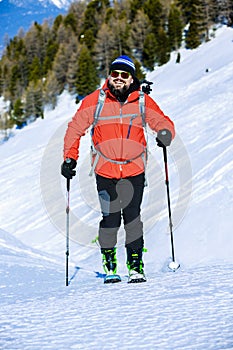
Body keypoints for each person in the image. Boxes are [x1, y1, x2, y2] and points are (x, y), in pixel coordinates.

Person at [61, 55, 175, 283]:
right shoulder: (96, 101)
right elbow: (74, 129)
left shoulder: (141, 101)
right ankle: (109, 261)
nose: (119, 79)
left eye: (124, 75)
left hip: (134, 170)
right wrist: (69, 158)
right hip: (105, 171)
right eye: (115, 74)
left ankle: (135, 264)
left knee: (133, 217)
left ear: (132, 78)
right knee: (110, 218)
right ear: (109, 76)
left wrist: (164, 134)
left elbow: (162, 122)